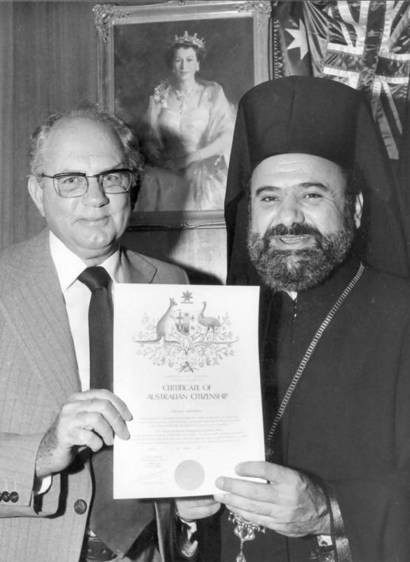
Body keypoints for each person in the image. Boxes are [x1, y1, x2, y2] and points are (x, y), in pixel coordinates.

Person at [0, 107, 220, 562]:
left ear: (132, 188)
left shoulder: (174, 284)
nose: (95, 198)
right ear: (38, 193)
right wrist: (43, 452)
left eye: (112, 177)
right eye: (70, 180)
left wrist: (191, 498)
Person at [178, 77, 410, 561]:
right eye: (268, 198)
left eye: (311, 195)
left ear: (356, 207)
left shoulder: (401, 315)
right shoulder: (209, 322)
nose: (288, 218)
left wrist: (330, 509)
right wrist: (183, 504)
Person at [136, 31, 235, 212]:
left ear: (198, 64)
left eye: (189, 60)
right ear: (171, 65)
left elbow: (227, 136)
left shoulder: (212, 93)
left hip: (202, 170)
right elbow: (147, 137)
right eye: (178, 60)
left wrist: (191, 159)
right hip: (166, 170)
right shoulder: (161, 94)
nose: (183, 66)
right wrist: (152, 111)